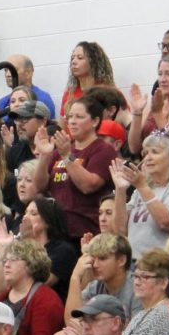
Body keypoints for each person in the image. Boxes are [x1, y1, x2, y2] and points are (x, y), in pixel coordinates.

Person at [33, 95, 117, 241]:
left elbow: (88, 185)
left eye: (79, 117)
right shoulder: (64, 148)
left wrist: (67, 156)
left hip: (85, 232)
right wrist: (45, 156)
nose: (72, 121)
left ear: (95, 121)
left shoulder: (103, 150)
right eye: (70, 116)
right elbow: (39, 186)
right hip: (57, 231)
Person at [110, 130, 169, 259]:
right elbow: (120, 230)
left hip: (166, 267)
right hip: (136, 266)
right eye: (145, 153)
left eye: (155, 152)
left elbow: (166, 223)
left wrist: (142, 186)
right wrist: (120, 190)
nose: (148, 158)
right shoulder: (143, 189)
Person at [0, 237, 64, 335]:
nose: (6, 265)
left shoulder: (47, 299)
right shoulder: (0, 299)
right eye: (5, 260)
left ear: (32, 263)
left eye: (13, 260)